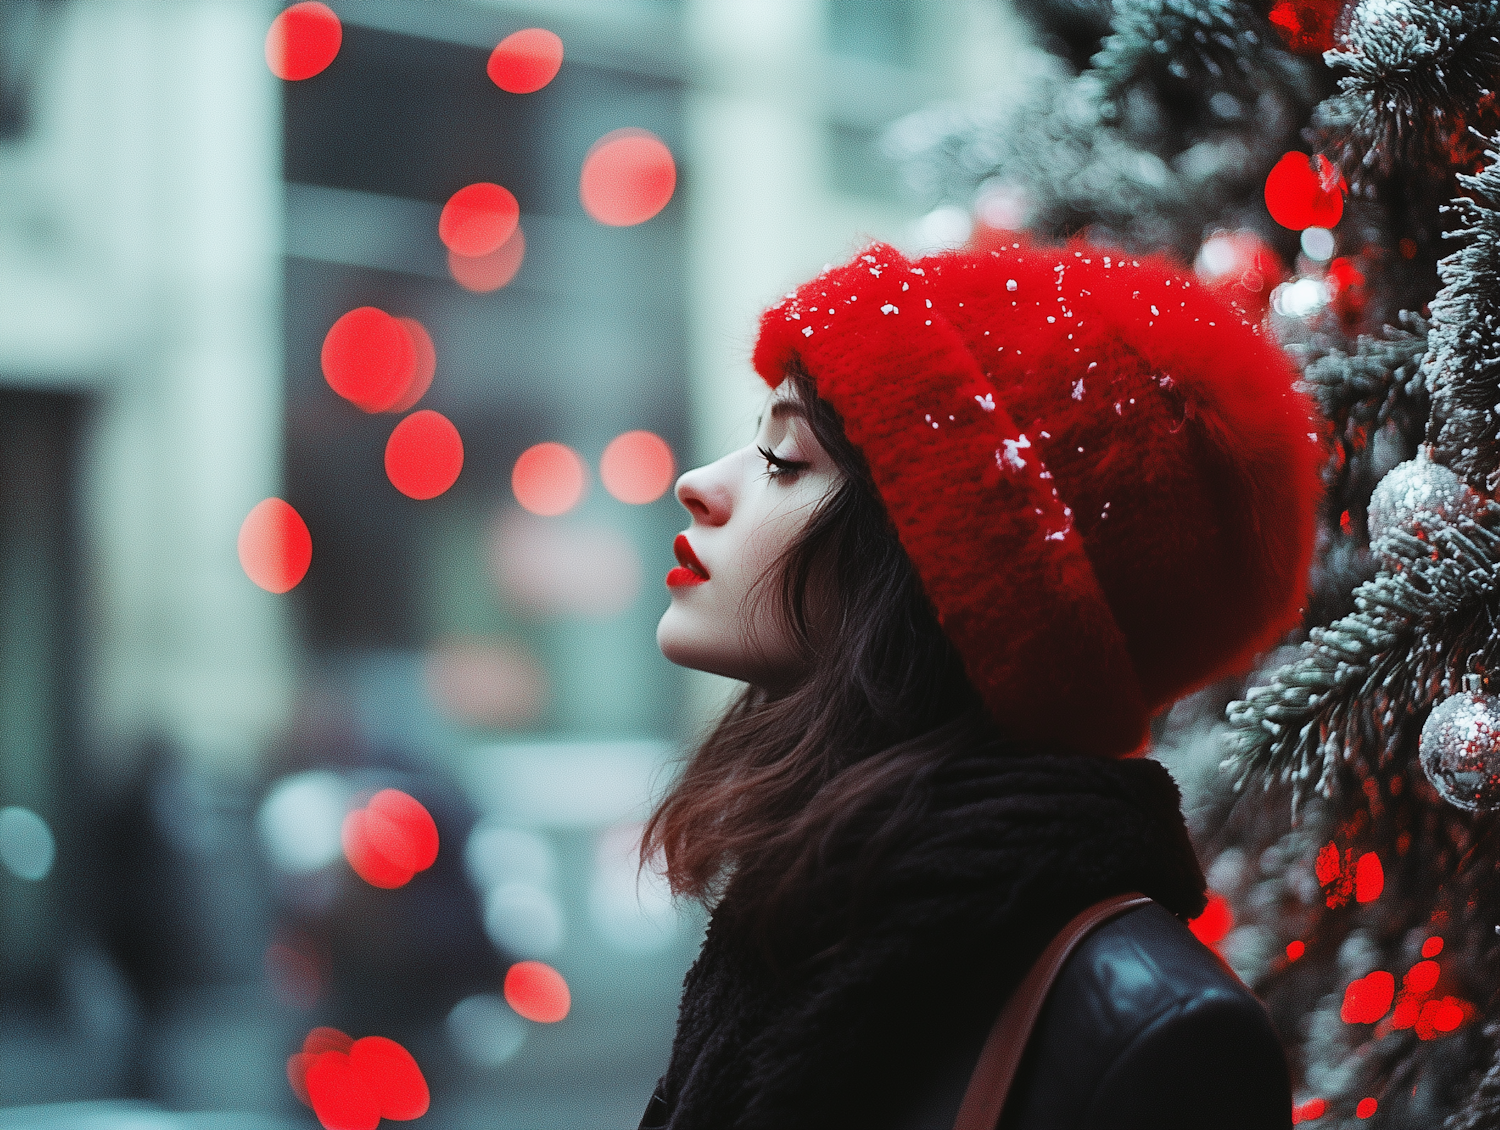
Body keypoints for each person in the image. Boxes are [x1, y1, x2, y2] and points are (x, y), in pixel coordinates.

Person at [639, 240, 1320, 1130]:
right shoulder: (804, 913)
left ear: (946, 571)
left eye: (783, 460)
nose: (699, 484)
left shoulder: (1155, 1034)